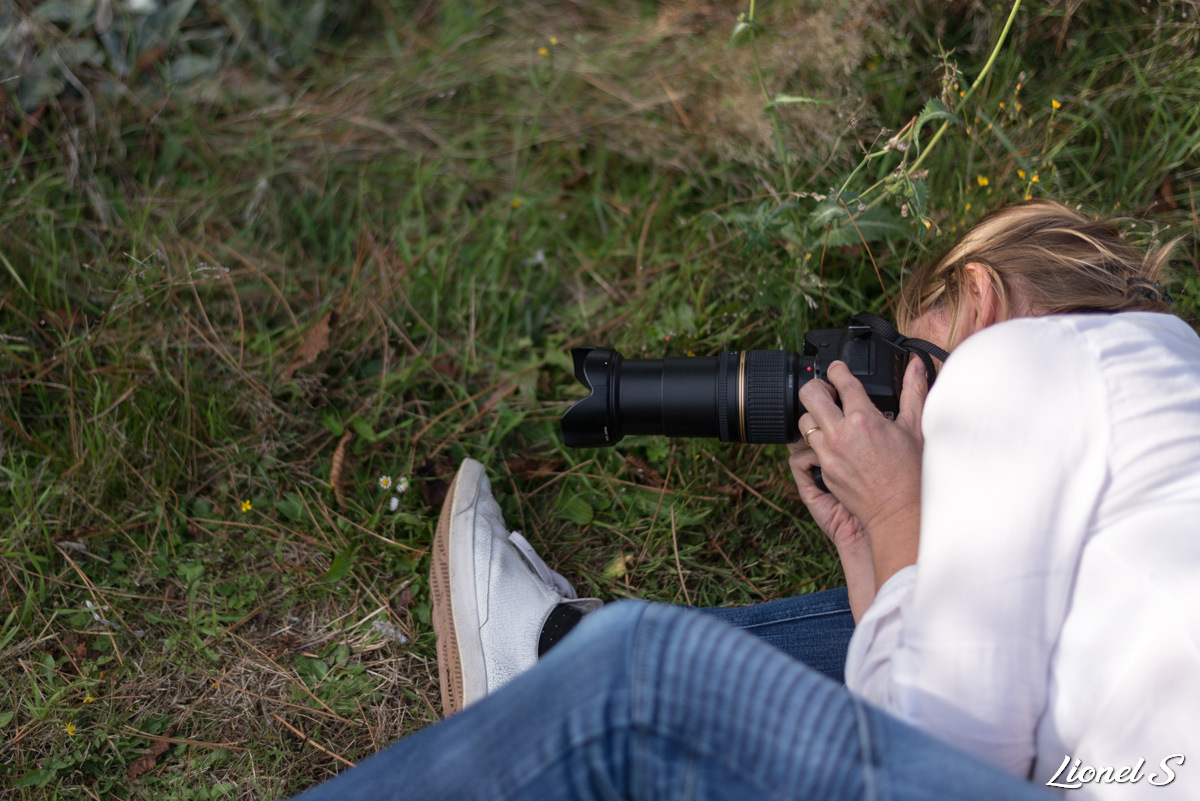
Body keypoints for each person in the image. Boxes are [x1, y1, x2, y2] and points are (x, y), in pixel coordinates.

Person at [290, 200, 1199, 800]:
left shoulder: (1019, 358)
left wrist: (896, 508)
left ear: (979, 296)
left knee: (639, 675)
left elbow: (944, 746)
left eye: (912, 364)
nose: (911, 421)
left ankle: (555, 663)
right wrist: (869, 562)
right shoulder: (1164, 411)